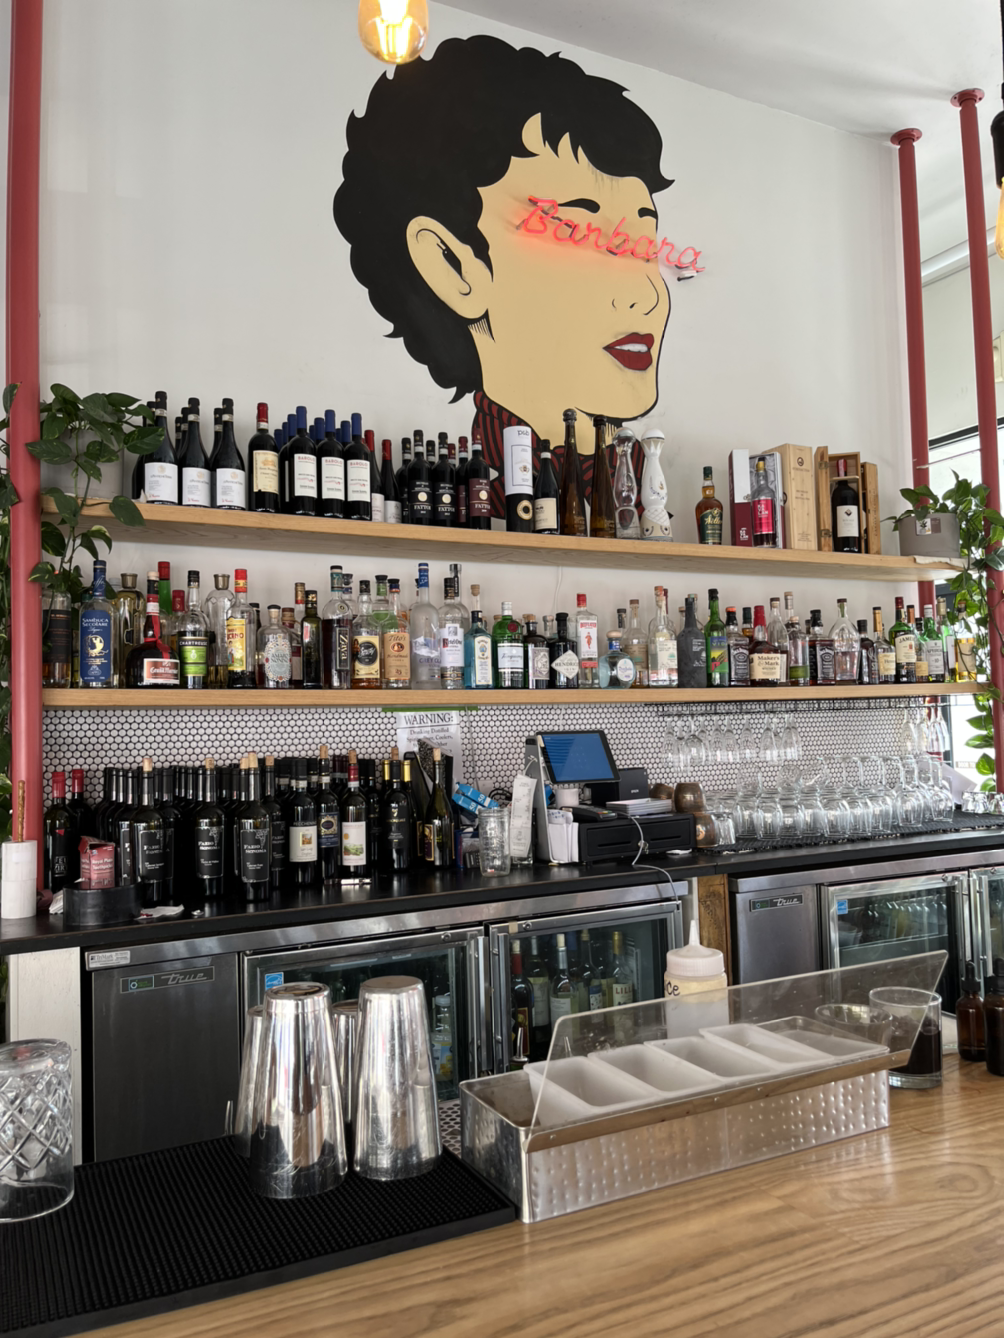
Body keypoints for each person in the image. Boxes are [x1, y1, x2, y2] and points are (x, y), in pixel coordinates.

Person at [334, 34, 674, 515]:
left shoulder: (641, 478)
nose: (647, 294)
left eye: (643, 248)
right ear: (452, 266)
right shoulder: (477, 488)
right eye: (582, 241)